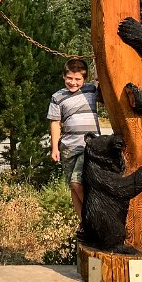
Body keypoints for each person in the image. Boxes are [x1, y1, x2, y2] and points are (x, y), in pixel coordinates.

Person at [47, 59, 99, 219]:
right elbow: (55, 123)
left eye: (78, 79)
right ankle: (84, 222)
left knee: (78, 183)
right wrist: (54, 148)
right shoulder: (57, 97)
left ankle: (95, 216)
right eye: (69, 78)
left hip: (89, 145)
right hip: (68, 147)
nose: (73, 82)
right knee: (73, 186)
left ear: (85, 79)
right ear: (63, 76)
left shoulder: (91, 90)